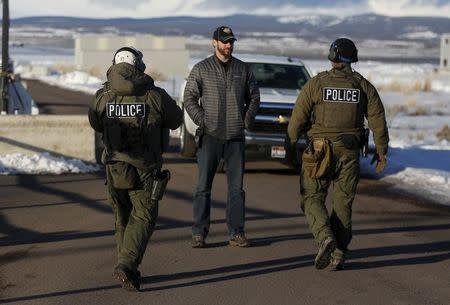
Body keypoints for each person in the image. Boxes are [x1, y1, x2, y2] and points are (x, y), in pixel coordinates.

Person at [285, 38, 389, 270]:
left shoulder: (316, 84)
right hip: (350, 154)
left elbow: (297, 119)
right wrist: (381, 151)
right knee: (343, 204)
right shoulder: (363, 86)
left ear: (333, 56)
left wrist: (290, 146)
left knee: (312, 197)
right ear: (352, 59)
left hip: (319, 152)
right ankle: (339, 255)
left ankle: (325, 237)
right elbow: (378, 121)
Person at [88, 46, 182, 291]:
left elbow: (95, 122)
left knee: (122, 217)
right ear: (139, 66)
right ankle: (127, 265)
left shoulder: (103, 95)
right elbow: (176, 119)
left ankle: (126, 266)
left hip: (114, 166)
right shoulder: (155, 95)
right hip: (145, 168)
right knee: (143, 216)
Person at [184, 26, 260, 248]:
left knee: (237, 189)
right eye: (224, 41)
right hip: (210, 136)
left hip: (235, 138)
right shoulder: (201, 69)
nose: (228, 45)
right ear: (214, 43)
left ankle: (236, 233)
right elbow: (189, 98)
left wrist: (245, 122)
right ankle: (199, 233)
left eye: (231, 41)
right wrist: (203, 120)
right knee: (203, 187)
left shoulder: (243, 69)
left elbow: (254, 97)